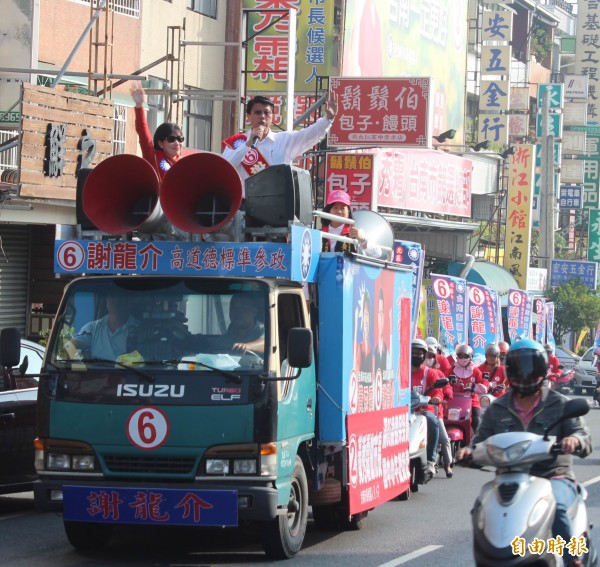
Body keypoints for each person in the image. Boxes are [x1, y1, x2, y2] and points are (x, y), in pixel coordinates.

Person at [457, 339, 592, 567]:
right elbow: (480, 442)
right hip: (509, 479)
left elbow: (582, 437)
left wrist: (573, 440)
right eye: (520, 368)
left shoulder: (559, 404)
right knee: (481, 507)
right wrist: (468, 453)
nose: (526, 374)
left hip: (553, 476)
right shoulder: (497, 408)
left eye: (531, 367)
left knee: (557, 504)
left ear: (542, 369)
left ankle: (572, 559)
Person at [222, 92, 338, 194]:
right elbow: (224, 167)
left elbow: (310, 134)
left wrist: (329, 118)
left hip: (275, 206)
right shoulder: (238, 142)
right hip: (244, 205)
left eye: (267, 113)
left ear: (272, 117)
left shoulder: (284, 140)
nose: (262, 116)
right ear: (248, 116)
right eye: (257, 112)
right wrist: (247, 145)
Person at [130, 84, 194, 179]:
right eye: (171, 139)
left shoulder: (186, 164)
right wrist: (139, 106)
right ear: (160, 143)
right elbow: (143, 132)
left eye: (180, 139)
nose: (177, 143)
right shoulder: (153, 156)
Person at [410, 339, 443, 479]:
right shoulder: (402, 372)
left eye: (419, 353)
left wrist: (436, 398)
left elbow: (438, 391)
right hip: (404, 412)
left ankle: (430, 460)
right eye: (413, 352)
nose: (416, 355)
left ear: (424, 356)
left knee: (432, 420)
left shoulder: (430, 373)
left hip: (423, 411)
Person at [72, 293, 139, 361]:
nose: (116, 301)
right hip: (97, 371)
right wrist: (80, 367)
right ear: (106, 301)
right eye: (112, 296)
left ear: (130, 302)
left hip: (131, 371)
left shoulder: (141, 329)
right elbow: (69, 348)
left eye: (120, 297)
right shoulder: (93, 328)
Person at [425, 343, 454, 478]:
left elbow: (446, 388)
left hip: (436, 411)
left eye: (431, 356)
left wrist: (443, 395)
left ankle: (447, 465)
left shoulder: (438, 373)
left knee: (444, 439)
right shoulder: (415, 372)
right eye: (426, 355)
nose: (428, 358)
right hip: (417, 411)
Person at [320, 190, 381, 256]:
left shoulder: (356, 232)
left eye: (343, 208)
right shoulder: (320, 233)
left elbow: (377, 253)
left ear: (348, 211)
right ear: (328, 211)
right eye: (335, 208)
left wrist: (363, 240)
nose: (339, 211)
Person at [450, 343, 489, 432]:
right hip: (454, 401)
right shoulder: (451, 370)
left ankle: (477, 442)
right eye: (460, 355)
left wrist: (476, 387)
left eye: (465, 356)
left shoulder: (475, 371)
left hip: (472, 401)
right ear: (457, 357)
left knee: (476, 421)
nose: (463, 358)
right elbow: (443, 379)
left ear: (471, 357)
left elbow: (484, 382)